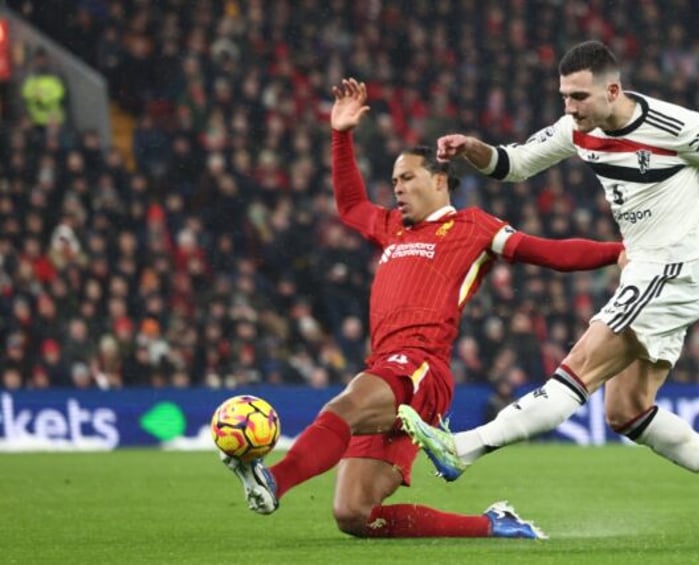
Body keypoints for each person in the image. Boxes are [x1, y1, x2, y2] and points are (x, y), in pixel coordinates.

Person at [397, 40, 699, 546]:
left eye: (579, 97)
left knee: (578, 367)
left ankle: (465, 448)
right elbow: (512, 164)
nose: (569, 108)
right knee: (625, 411)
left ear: (612, 90)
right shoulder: (577, 130)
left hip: (672, 270)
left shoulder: (677, 127)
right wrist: (470, 147)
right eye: (565, 96)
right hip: (647, 272)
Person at [222, 77, 625, 539]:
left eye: (407, 178)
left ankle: (274, 479)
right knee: (354, 514)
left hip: (421, 368)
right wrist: (341, 134)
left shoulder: (473, 227)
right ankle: (494, 526)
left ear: (438, 179)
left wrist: (616, 251)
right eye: (393, 181)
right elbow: (352, 205)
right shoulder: (393, 227)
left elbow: (549, 252)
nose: (397, 189)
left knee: (346, 404)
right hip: (389, 369)